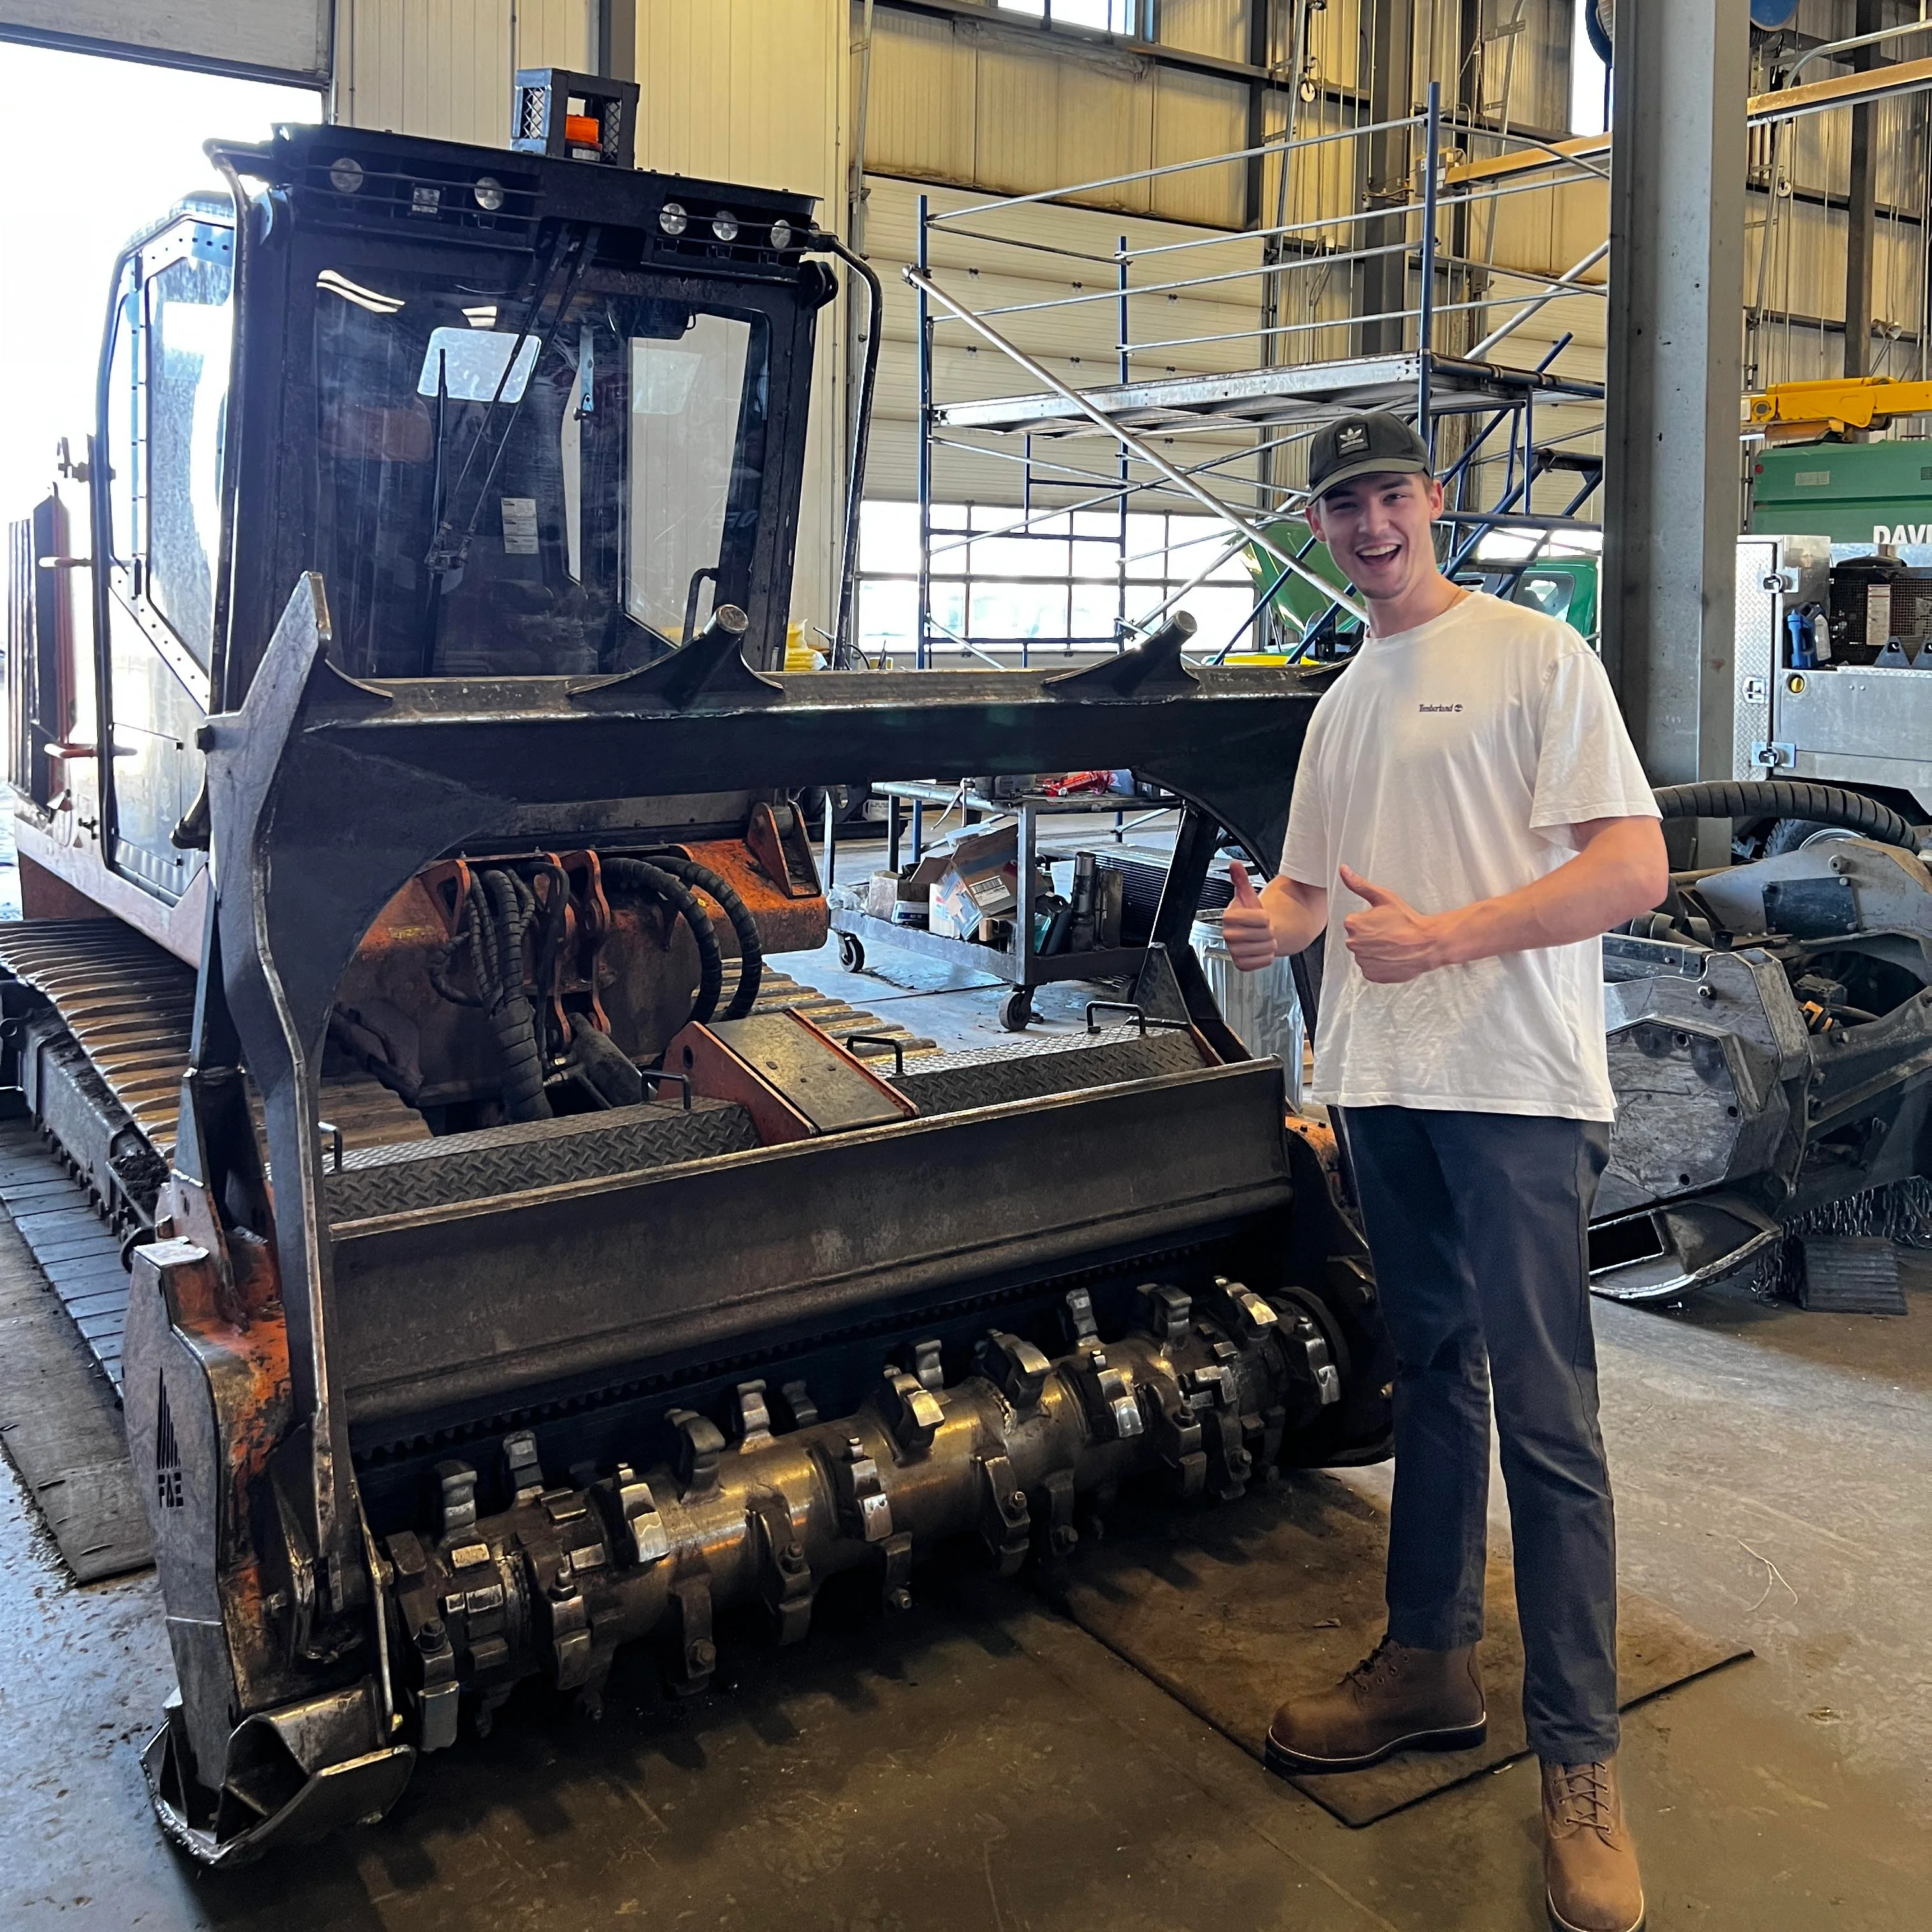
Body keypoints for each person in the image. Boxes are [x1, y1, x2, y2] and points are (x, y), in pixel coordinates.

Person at [1223, 411, 1667, 1932]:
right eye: (1340, 505)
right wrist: (1267, 927)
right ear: (1321, 527)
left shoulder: (1537, 658)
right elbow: (1306, 887)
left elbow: (1632, 867)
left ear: (1434, 502)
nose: (1370, 524)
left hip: (1517, 1093)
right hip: (1385, 1091)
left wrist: (1449, 938)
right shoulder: (1344, 700)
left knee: (1550, 1422)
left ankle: (1581, 1768)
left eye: (1390, 495)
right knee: (1438, 1378)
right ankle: (1430, 1666)